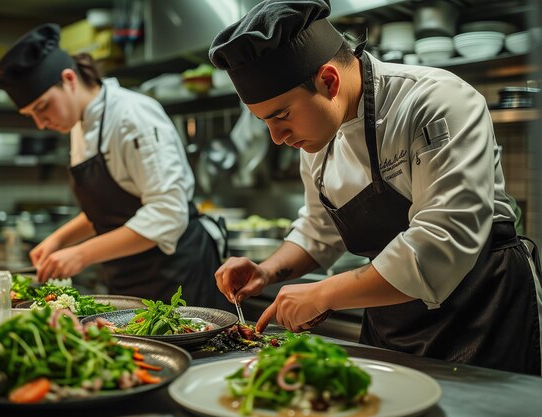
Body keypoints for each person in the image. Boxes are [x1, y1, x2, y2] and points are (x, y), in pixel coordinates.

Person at [210, 0, 542, 375]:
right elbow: (319, 230)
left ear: (329, 81)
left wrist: (325, 293)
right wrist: (266, 271)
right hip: (392, 319)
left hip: (484, 314)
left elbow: (442, 241)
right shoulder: (318, 134)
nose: (276, 138)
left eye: (281, 115)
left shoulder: (435, 101)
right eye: (264, 123)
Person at [0, 24, 229, 309]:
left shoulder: (132, 116)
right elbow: (107, 209)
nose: (41, 124)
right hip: (127, 275)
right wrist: (58, 240)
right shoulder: (79, 125)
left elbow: (167, 212)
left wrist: (81, 254)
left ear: (69, 79)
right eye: (31, 115)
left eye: (43, 108)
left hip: (178, 275)